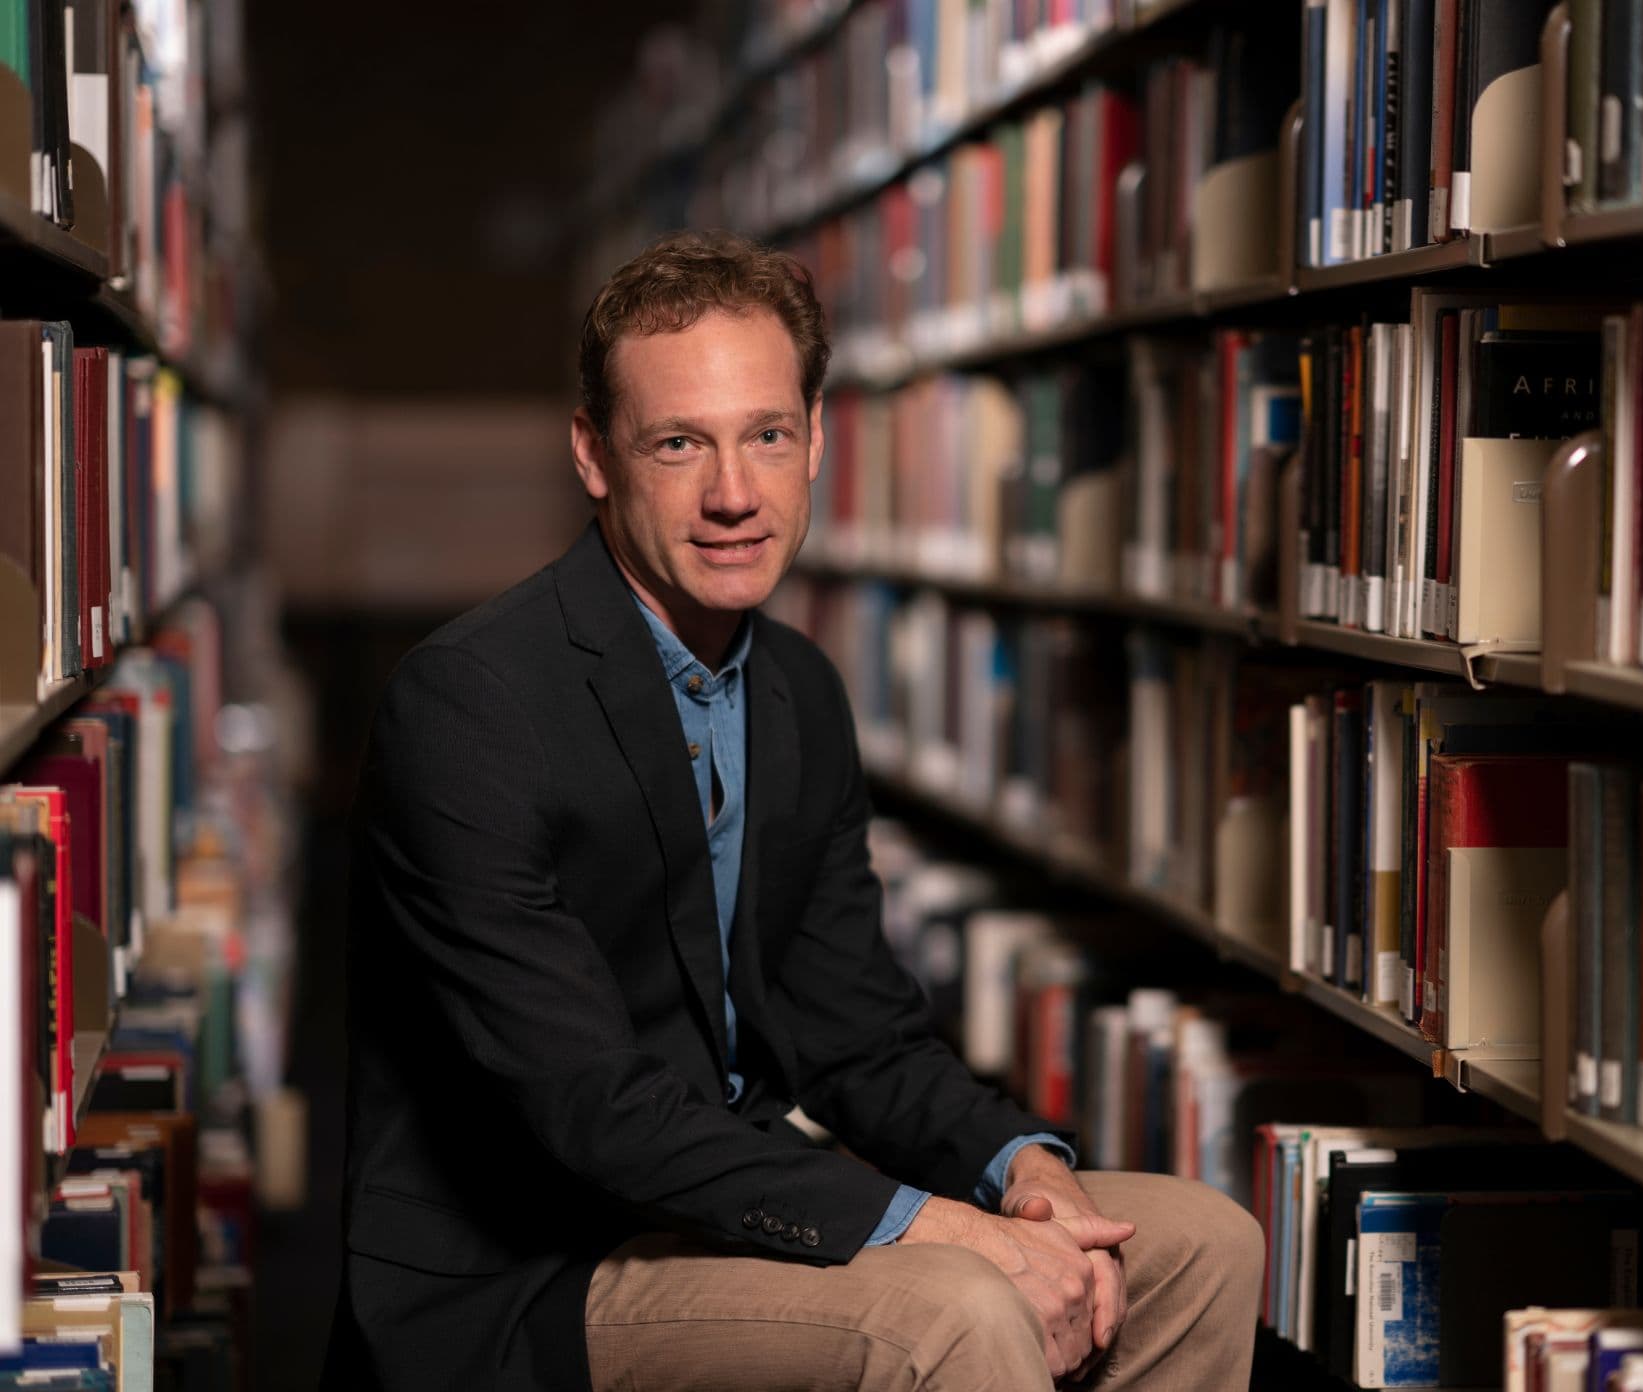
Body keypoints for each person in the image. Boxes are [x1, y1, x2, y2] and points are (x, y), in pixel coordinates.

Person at [325, 231, 1264, 1392]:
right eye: (679, 444)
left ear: (815, 439)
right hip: (539, 1263)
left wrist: (1022, 1172)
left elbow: (854, 1032)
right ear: (593, 455)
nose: (732, 494)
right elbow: (589, 1107)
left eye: (766, 435)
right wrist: (946, 1230)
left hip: (736, 1199)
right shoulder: (470, 702)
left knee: (1203, 1244)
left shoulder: (798, 691)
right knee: (956, 1307)